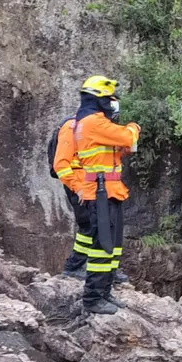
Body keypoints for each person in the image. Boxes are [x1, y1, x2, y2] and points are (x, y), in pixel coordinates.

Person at [62, 75, 140, 314]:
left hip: (110, 191)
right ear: (98, 99)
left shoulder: (94, 122)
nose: (112, 103)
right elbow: (128, 136)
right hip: (99, 193)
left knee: (113, 245)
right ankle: (93, 297)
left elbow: (112, 152)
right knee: (101, 245)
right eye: (108, 99)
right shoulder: (93, 122)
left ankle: (105, 292)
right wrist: (134, 127)